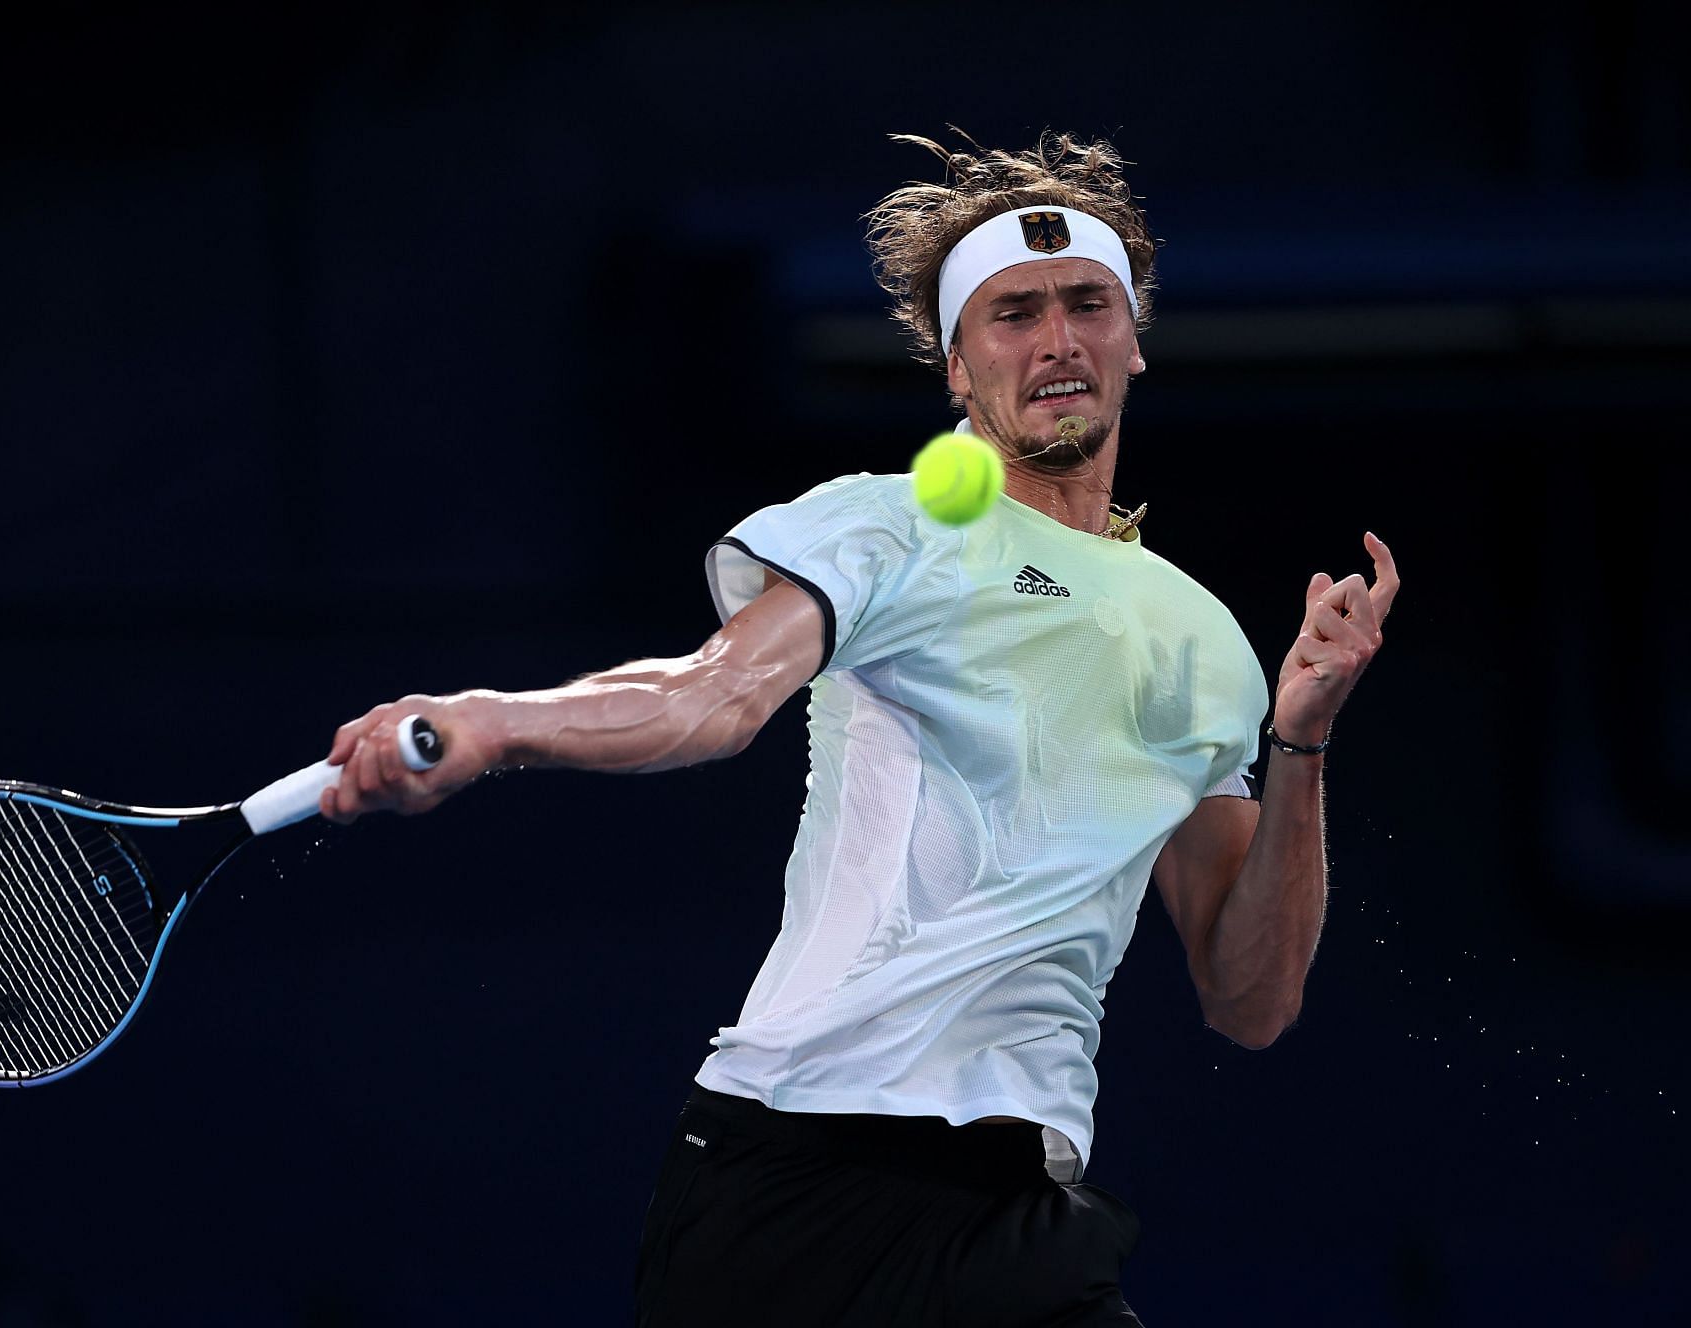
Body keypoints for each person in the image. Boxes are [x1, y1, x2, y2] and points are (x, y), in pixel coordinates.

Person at [318, 131, 1398, 1327]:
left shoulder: (1200, 640)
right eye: (1013, 314)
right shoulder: (886, 530)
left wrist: (1299, 739)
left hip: (1021, 1214)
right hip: (796, 1180)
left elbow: (1251, 999)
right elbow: (708, 695)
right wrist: (492, 719)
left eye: (1088, 303)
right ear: (954, 367)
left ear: (1134, 337)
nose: (1057, 341)